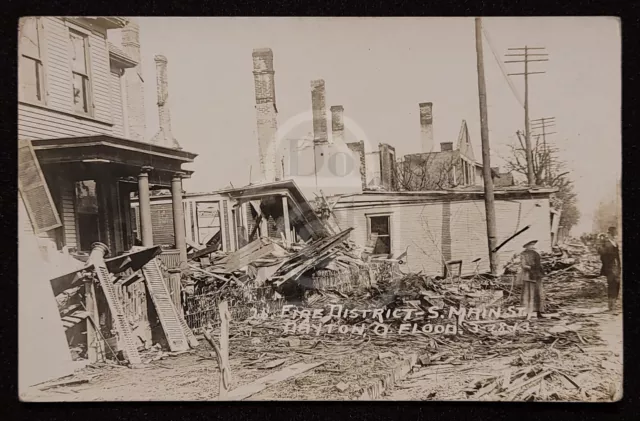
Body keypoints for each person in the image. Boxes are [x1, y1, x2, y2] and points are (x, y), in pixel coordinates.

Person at [597, 227, 621, 311]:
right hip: (609, 267)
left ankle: (613, 303)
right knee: (611, 285)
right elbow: (601, 254)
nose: (613, 235)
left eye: (614, 234)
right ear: (609, 234)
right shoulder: (605, 243)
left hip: (616, 266)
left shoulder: (615, 243)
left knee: (617, 284)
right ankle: (611, 305)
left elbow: (618, 256)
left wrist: (618, 266)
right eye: (612, 234)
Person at [519, 240, 545, 319]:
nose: (532, 246)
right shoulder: (523, 254)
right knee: (528, 294)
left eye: (533, 245)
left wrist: (540, 270)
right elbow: (523, 265)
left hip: (537, 276)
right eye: (531, 245)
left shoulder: (536, 254)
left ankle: (539, 312)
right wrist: (532, 268)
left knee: (539, 294)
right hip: (528, 276)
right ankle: (527, 313)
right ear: (526, 246)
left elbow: (539, 264)